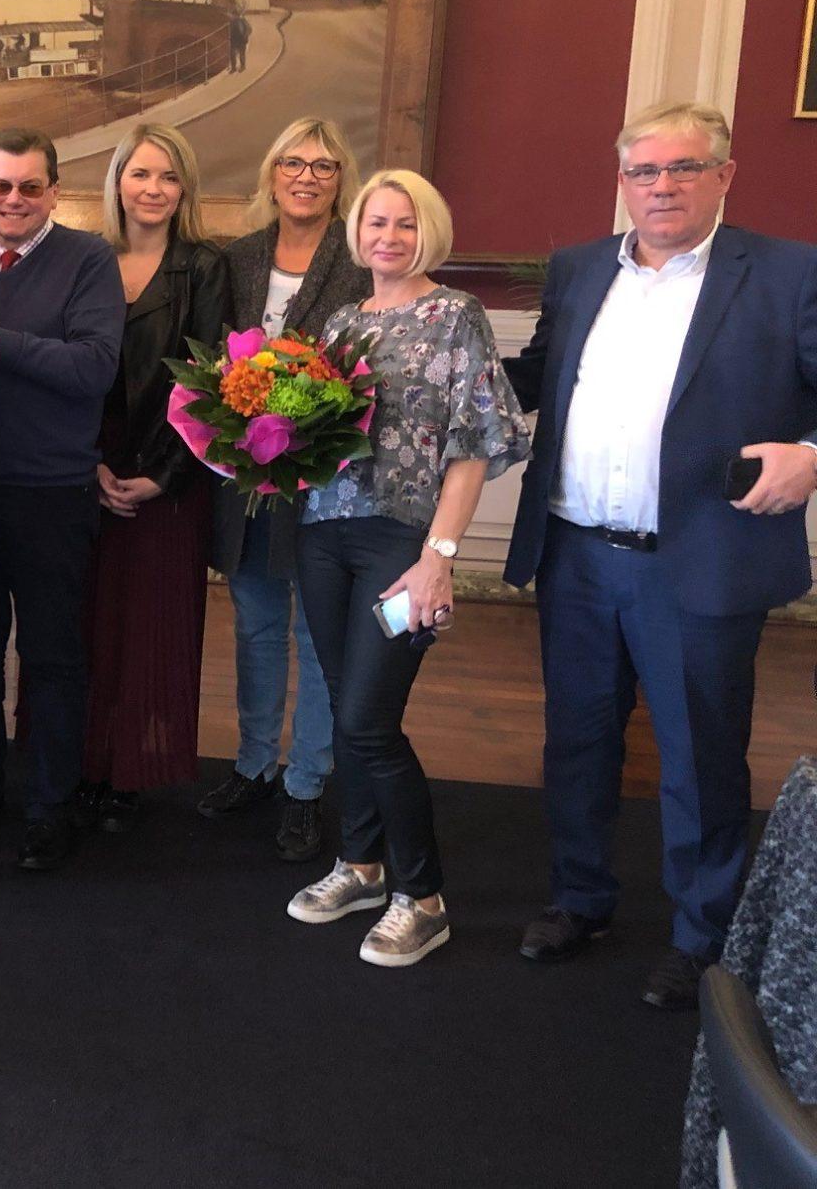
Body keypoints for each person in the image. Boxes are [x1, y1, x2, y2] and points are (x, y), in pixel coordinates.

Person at [503, 102, 817, 1011]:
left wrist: (812, 453)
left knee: (700, 757)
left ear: (725, 175)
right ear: (623, 182)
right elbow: (529, 380)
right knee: (578, 742)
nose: (663, 186)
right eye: (645, 171)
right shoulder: (574, 271)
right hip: (578, 557)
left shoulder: (788, 274)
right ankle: (579, 898)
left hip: (701, 562)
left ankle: (701, 935)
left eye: (685, 168)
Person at [286, 169, 527, 967]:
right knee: (343, 703)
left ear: (430, 230)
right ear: (356, 233)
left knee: (367, 720)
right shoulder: (343, 322)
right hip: (323, 536)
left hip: (400, 542)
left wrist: (439, 558)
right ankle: (359, 864)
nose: (387, 237)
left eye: (404, 224)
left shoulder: (455, 315)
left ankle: (421, 898)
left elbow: (472, 442)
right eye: (374, 223)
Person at [0, 127, 125, 872]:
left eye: (29, 186)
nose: (13, 199)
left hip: (50, 494)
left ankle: (49, 807)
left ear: (53, 192)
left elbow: (95, 368)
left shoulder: (89, 260)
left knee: (51, 658)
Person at [200, 117, 370, 862]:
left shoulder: (362, 260)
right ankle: (254, 763)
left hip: (329, 479)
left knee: (316, 633)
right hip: (246, 478)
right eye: (293, 162)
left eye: (324, 167)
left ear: (342, 181)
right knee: (256, 627)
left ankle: (307, 782)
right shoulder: (234, 259)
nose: (306, 176)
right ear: (272, 173)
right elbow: (207, 363)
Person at [79, 124, 230, 832]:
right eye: (140, 174)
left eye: (168, 177)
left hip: (170, 473)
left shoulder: (202, 268)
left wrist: (162, 478)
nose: (153, 189)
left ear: (184, 190)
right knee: (86, 623)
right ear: (116, 183)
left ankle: (132, 773)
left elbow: (209, 385)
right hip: (85, 467)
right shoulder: (83, 260)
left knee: (152, 627)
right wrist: (91, 465)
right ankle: (80, 760)